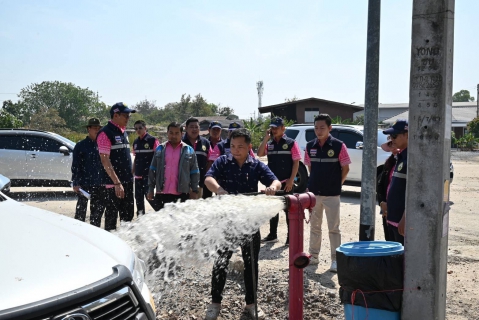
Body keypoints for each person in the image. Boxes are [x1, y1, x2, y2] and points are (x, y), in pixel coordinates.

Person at [203, 128, 281, 320]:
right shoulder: (223, 161)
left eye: (240, 147)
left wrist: (272, 188)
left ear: (249, 147)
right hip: (227, 221)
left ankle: (251, 304)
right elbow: (208, 179)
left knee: (251, 263)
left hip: (249, 222)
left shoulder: (255, 165)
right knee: (221, 262)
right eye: (232, 146)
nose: (235, 150)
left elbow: (276, 181)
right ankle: (215, 303)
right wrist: (219, 190)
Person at [306, 114, 351, 272]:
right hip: (314, 194)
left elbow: (345, 168)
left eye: (322, 128)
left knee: (334, 228)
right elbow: (310, 167)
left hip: (332, 195)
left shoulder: (339, 145)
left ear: (330, 128)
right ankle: (313, 256)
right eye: (316, 128)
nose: (319, 131)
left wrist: (337, 184)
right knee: (315, 227)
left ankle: (335, 260)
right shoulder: (309, 145)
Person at [257, 117, 301, 246]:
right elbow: (259, 154)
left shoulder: (291, 143)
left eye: (277, 127)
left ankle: (290, 237)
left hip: (286, 182)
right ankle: (272, 235)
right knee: (272, 210)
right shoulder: (269, 143)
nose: (274, 130)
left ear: (283, 128)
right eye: (272, 128)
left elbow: (296, 162)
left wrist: (291, 181)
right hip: (272, 184)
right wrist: (266, 138)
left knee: (288, 211)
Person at [97, 102, 136, 231]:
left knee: (128, 218)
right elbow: (105, 161)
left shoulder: (124, 132)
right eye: (126, 115)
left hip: (127, 182)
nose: (128, 118)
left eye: (129, 115)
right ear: (116, 115)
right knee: (111, 220)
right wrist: (117, 183)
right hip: (113, 185)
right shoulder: (105, 133)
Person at [147, 122, 200, 209]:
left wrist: (194, 190)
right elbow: (153, 169)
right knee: (162, 221)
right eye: (171, 133)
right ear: (167, 133)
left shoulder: (189, 150)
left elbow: (195, 172)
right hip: (162, 194)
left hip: (181, 195)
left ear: (182, 134)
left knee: (179, 221)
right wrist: (151, 189)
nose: (174, 136)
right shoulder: (160, 148)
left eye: (177, 133)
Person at [71, 118, 105, 227]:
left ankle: (94, 235)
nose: (97, 130)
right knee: (80, 213)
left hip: (99, 184)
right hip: (84, 184)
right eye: (94, 128)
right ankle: (78, 234)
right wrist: (76, 182)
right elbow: (76, 166)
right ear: (88, 129)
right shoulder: (80, 145)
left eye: (99, 128)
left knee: (96, 215)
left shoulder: (102, 144)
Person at [383, 119, 409, 245]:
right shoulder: (400, 157)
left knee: (403, 261)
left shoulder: (411, 158)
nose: (391, 140)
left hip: (401, 222)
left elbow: (414, 192)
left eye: (394, 136)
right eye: (390, 136)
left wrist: (405, 217)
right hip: (393, 219)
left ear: (407, 135)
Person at [132, 120, 161, 214]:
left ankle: (162, 213)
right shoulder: (136, 142)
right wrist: (132, 170)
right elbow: (136, 158)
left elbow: (159, 158)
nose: (138, 130)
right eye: (136, 129)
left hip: (148, 176)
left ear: (145, 128)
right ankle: (141, 218)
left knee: (150, 197)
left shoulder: (153, 140)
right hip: (138, 176)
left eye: (140, 128)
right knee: (138, 199)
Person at [181, 118, 211, 198]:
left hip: (199, 183)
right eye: (191, 127)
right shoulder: (180, 142)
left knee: (196, 208)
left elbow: (210, 161)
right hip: (181, 184)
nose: (194, 129)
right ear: (186, 128)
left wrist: (205, 177)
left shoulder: (206, 143)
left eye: (196, 127)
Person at [376, 138, 399, 241]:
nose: (393, 146)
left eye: (394, 143)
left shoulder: (406, 161)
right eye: (390, 144)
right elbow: (380, 185)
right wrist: (382, 202)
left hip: (400, 209)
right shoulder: (388, 163)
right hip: (387, 208)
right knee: (389, 239)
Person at [203, 121, 224, 199]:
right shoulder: (204, 143)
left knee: (221, 199)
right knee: (205, 199)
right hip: (207, 177)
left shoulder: (224, 145)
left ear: (221, 131)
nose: (215, 132)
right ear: (209, 130)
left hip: (221, 178)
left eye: (218, 130)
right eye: (213, 129)